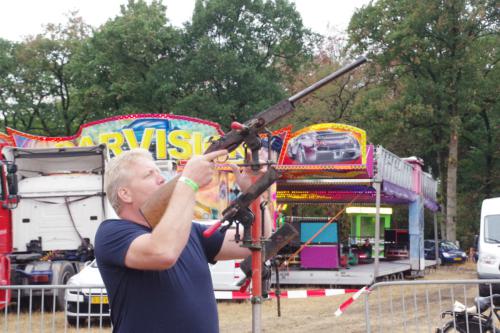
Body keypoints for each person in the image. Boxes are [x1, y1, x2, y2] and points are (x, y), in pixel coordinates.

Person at [94, 148, 272, 333]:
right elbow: (163, 252)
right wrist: (188, 182)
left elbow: (261, 237)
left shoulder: (189, 230)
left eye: (159, 172)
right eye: (149, 175)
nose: (162, 179)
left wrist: (254, 193)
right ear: (125, 194)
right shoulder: (111, 233)